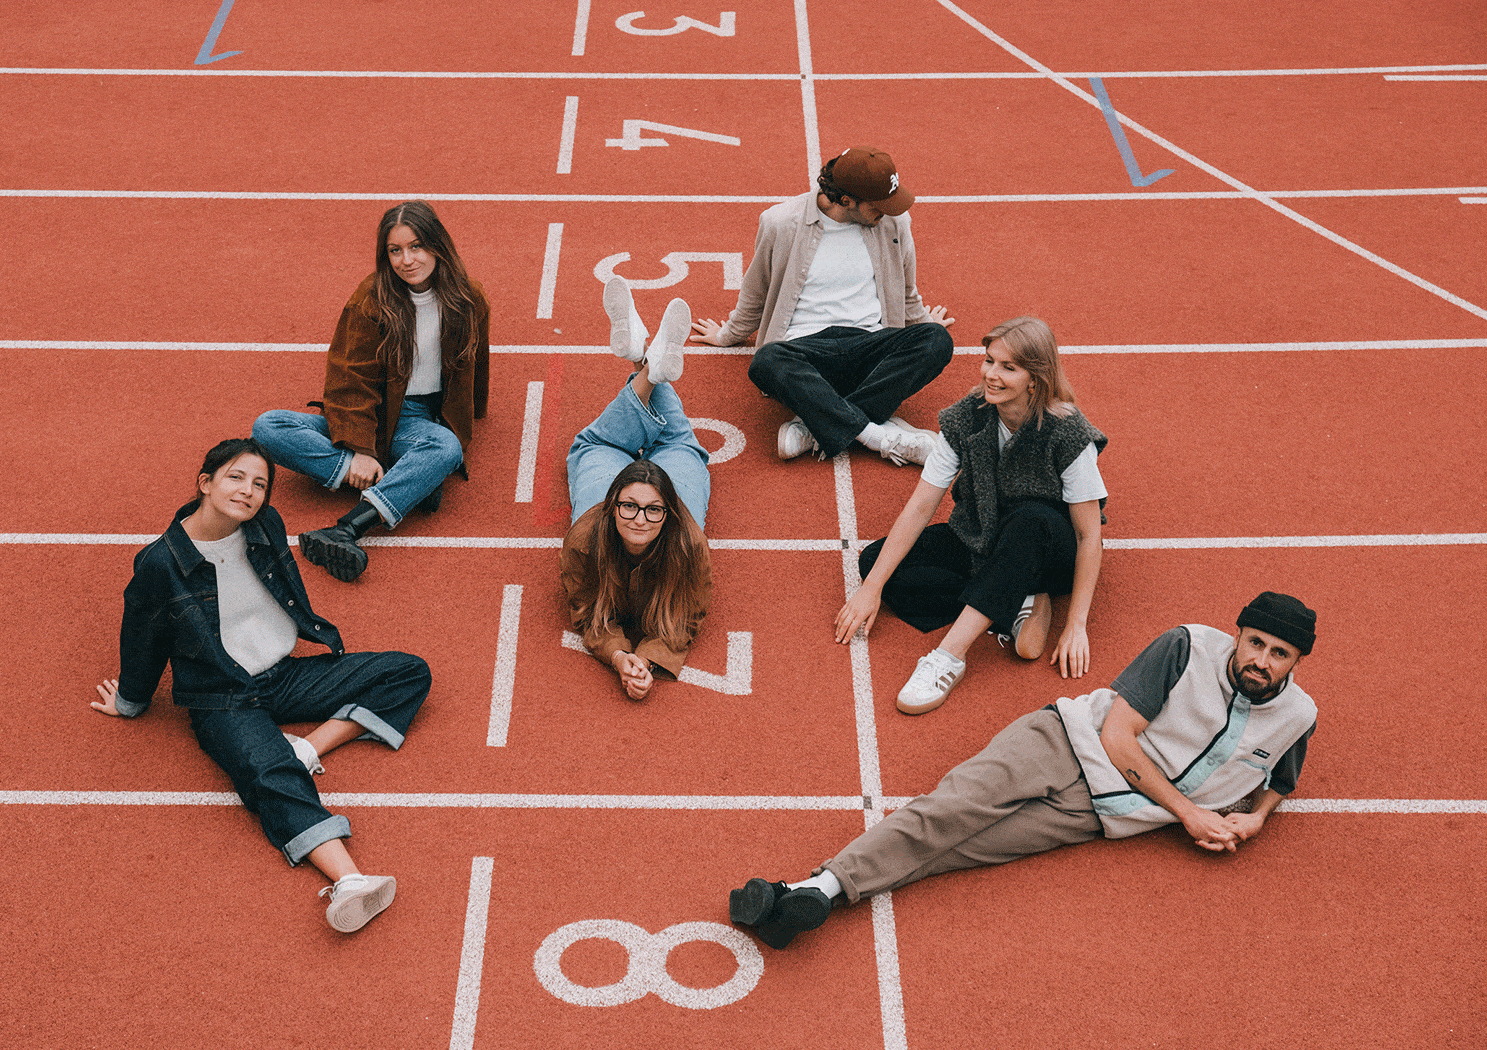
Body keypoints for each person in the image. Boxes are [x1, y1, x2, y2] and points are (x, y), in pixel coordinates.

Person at [731, 593, 1321, 949]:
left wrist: (1256, 821)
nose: (1260, 660)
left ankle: (800, 903)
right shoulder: (1186, 646)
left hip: (1102, 812)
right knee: (950, 811)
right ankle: (816, 888)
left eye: (1279, 654)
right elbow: (1117, 738)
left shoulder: (1298, 716)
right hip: (1065, 742)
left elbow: (1279, 783)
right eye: (1255, 643)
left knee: (961, 849)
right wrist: (1190, 814)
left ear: (1296, 662)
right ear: (1237, 634)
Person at [90, 438, 432, 933]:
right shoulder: (160, 564)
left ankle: (307, 749)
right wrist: (130, 700)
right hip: (222, 696)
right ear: (205, 483)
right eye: (235, 477)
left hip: (284, 674)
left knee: (407, 671)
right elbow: (142, 636)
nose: (248, 491)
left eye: (259, 484)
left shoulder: (265, 525)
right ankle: (350, 881)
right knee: (268, 773)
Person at [835, 317, 1108, 714]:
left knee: (1029, 520)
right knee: (875, 563)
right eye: (989, 360)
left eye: (1008, 367)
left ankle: (949, 657)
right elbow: (922, 505)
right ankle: (1014, 604)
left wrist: (1077, 625)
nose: (991, 374)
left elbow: (1088, 536)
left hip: (1049, 550)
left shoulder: (1067, 432)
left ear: (1035, 379)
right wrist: (871, 587)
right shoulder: (966, 417)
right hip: (984, 535)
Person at [253, 200, 490, 582]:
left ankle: (348, 527)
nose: (406, 260)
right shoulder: (371, 299)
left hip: (416, 418)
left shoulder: (468, 298)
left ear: (437, 245)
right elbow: (350, 377)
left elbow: (476, 359)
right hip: (370, 411)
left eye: (416, 246)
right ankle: (404, 481)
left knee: (446, 447)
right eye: (395, 250)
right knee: (268, 427)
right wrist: (360, 450)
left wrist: (471, 411)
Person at [689, 145, 955, 465]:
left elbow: (907, 290)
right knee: (766, 361)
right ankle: (877, 435)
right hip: (806, 352)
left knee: (936, 340)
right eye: (878, 206)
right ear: (846, 200)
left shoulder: (894, 223)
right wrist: (728, 335)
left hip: (869, 347)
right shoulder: (780, 222)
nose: (887, 213)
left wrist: (924, 323)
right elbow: (756, 290)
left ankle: (816, 426)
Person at [559, 276, 712, 701]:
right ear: (612, 505)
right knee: (681, 445)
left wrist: (643, 659)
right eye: (629, 506)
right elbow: (585, 609)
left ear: (668, 512)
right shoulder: (585, 540)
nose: (640, 519)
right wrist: (618, 656)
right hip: (636, 490)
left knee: (596, 444)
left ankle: (644, 361)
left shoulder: (688, 544)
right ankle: (649, 364)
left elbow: (688, 614)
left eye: (652, 510)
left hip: (666, 491)